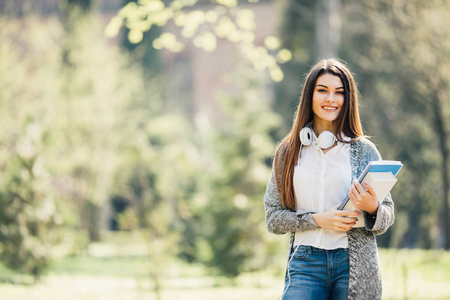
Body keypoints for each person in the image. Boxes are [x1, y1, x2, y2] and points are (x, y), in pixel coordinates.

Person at [263, 58, 394, 300]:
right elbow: (273, 218)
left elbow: (387, 216)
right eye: (322, 90)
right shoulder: (287, 152)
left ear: (347, 99)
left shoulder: (364, 150)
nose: (330, 99)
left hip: (353, 264)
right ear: (309, 96)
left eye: (339, 92)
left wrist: (372, 208)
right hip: (305, 262)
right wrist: (317, 220)